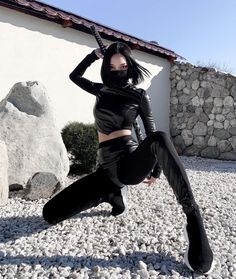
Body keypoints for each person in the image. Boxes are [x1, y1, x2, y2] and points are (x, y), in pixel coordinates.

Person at [43, 42, 214, 275]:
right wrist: (93, 55)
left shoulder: (139, 95)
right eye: (112, 67)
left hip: (128, 162)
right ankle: (112, 194)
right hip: (105, 169)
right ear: (106, 67)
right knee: (50, 214)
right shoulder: (100, 90)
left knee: (160, 136)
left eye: (122, 65)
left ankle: (193, 218)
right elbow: (74, 75)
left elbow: (153, 135)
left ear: (129, 65)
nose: (118, 71)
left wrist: (156, 171)